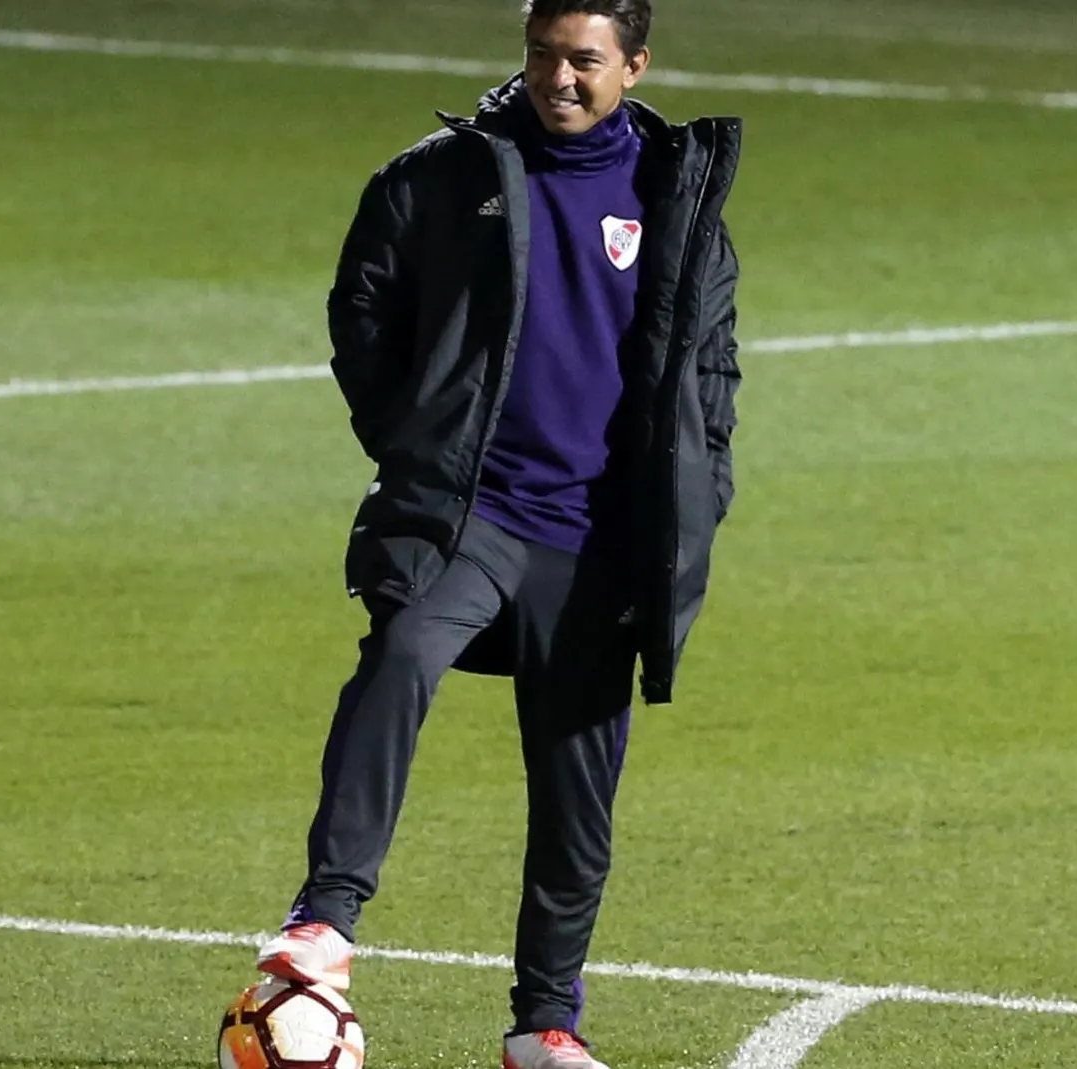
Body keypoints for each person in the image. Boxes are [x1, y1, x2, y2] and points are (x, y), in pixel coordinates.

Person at [252, 1, 742, 1065]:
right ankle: (321, 926)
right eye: (540, 55)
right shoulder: (445, 175)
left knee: (578, 789)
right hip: (469, 515)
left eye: (583, 61)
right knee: (398, 660)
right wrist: (412, 440)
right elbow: (362, 308)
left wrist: (699, 496)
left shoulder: (675, 192)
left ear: (634, 64)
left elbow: (711, 362)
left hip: (600, 541)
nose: (556, 79)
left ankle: (544, 1025)